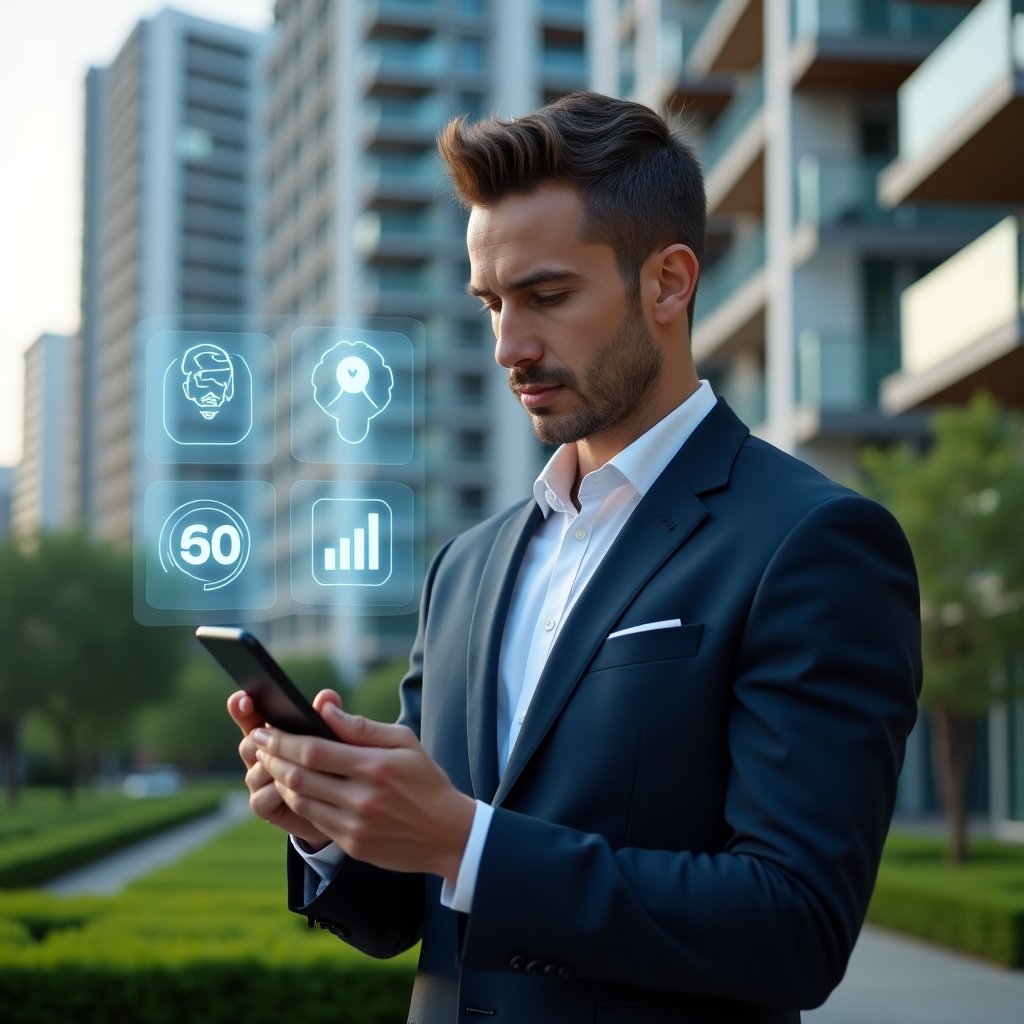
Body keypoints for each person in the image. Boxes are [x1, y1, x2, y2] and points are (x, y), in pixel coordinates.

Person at [228, 92, 921, 1023]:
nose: (510, 345)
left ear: (669, 282)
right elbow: (413, 914)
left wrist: (468, 840)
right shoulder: (464, 569)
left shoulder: (815, 543)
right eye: (491, 303)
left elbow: (793, 925)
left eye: (548, 296)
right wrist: (338, 828)